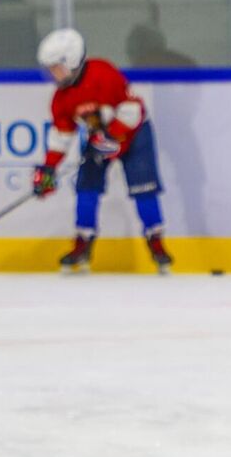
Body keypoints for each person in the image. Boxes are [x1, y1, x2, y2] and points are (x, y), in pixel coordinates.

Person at [31, 28, 171, 274]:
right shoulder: (61, 98)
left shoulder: (102, 73)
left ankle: (155, 240)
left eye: (55, 67)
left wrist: (111, 139)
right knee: (86, 187)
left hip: (135, 135)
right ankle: (83, 243)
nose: (52, 74)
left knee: (143, 189)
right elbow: (61, 136)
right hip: (99, 138)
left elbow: (132, 111)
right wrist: (49, 167)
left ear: (71, 60)